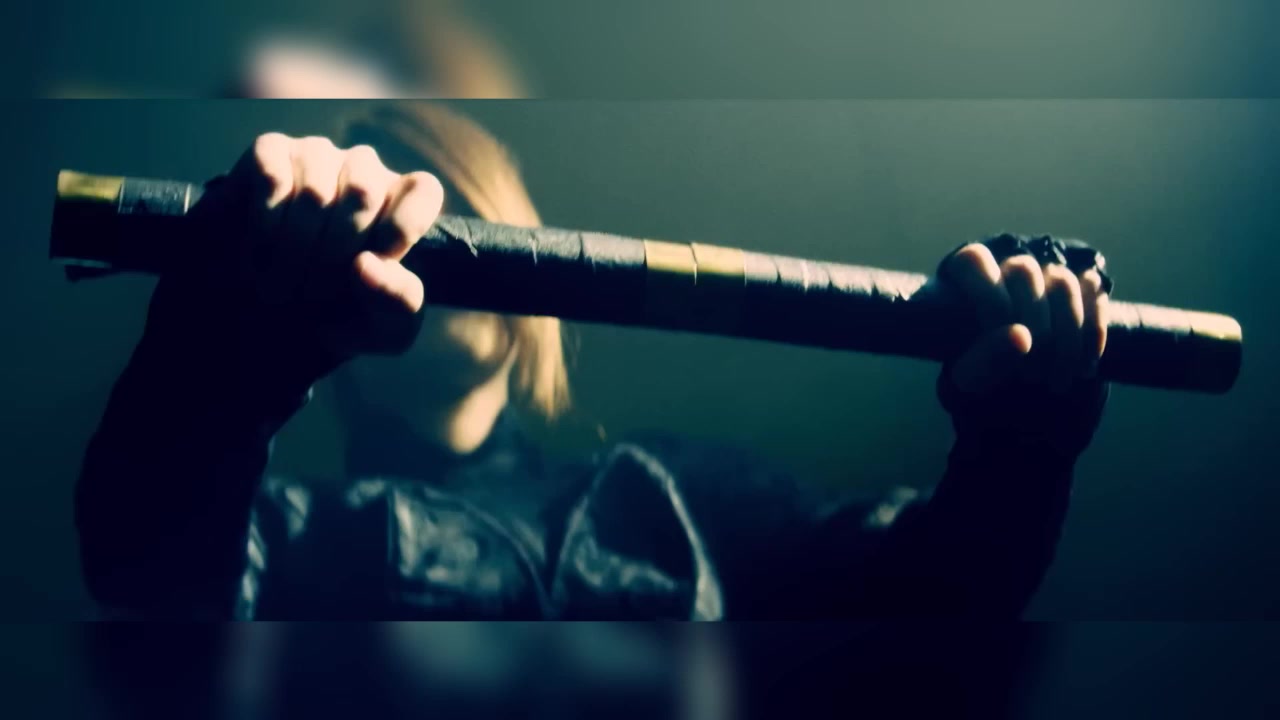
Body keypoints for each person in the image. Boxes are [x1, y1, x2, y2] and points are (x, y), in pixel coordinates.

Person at [73, 101, 1112, 621]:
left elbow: (939, 601)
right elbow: (144, 572)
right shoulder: (292, 535)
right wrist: (216, 355)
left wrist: (1018, 445)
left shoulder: (675, 496)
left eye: (457, 205)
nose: (426, 234)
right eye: (389, 218)